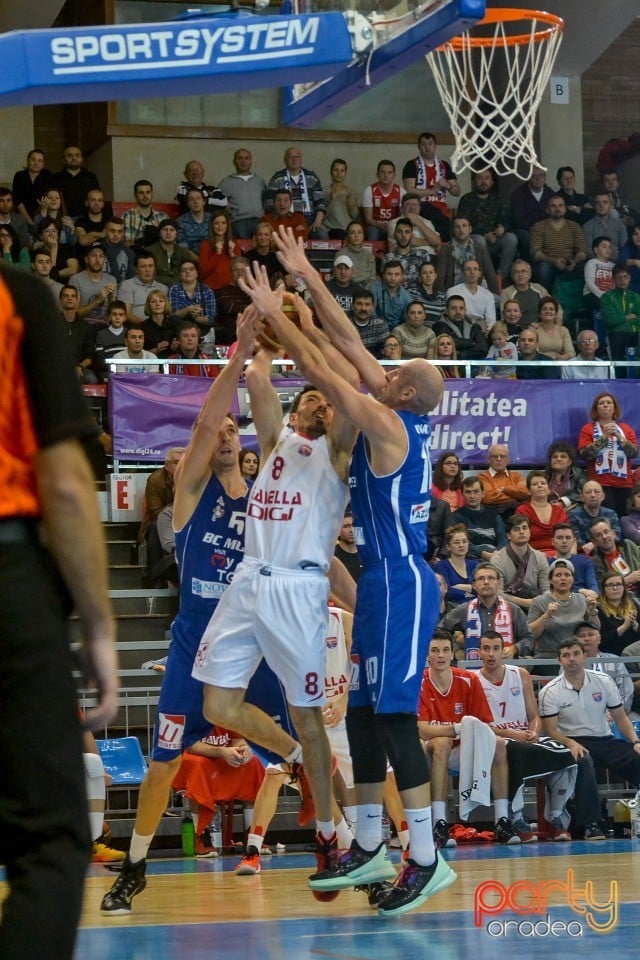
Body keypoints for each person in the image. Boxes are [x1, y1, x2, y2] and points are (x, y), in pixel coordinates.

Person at [238, 233, 456, 916]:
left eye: (393, 371)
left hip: (400, 579)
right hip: (381, 580)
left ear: (405, 389)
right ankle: (368, 842)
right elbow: (346, 340)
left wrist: (279, 318)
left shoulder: (389, 424)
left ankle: (425, 855)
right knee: (361, 716)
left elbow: (326, 368)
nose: (380, 368)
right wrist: (305, 274)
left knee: (392, 719)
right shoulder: (394, 403)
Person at [191, 303, 358, 898]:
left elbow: (343, 385)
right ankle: (288, 752)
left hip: (298, 588)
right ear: (296, 407)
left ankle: (332, 834)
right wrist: (257, 333)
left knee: (309, 714)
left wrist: (304, 327)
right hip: (248, 581)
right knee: (217, 705)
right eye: (308, 396)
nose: (318, 401)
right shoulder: (276, 439)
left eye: (325, 398)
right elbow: (259, 379)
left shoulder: (338, 454)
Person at [100, 310, 259, 915]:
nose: (222, 436)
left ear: (244, 445)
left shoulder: (266, 501)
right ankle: (135, 868)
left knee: (322, 741)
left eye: (231, 432)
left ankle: (353, 846)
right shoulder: (191, 493)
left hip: (253, 649)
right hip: (195, 648)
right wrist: (241, 353)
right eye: (216, 430)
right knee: (162, 763)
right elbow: (205, 421)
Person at [0, 262, 117, 957]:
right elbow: (68, 483)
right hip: (9, 575)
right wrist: (99, 624)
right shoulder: (15, 297)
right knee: (50, 839)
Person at [478, 631, 584, 843]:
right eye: (486, 649)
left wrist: (535, 732)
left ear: (503, 651)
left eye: (496, 648)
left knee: (567, 753)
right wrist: (512, 734)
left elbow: (534, 716)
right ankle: (516, 818)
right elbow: (479, 726)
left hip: (524, 736)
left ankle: (555, 816)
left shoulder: (520, 674)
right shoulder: (473, 679)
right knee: (514, 750)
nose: (491, 654)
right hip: (496, 739)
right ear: (479, 653)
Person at [417, 631, 520, 847]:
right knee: (442, 743)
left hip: (464, 748)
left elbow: (484, 725)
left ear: (453, 653)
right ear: (427, 656)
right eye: (435, 651)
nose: (441, 656)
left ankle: (502, 821)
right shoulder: (420, 681)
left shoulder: (469, 679)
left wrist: (466, 731)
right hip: (429, 749)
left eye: (445, 650)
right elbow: (423, 730)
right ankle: (440, 822)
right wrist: (456, 728)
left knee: (498, 744)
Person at [539, 636, 640, 835]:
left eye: (576, 654)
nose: (572, 659)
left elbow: (620, 717)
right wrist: (570, 743)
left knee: (637, 757)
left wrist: (636, 741)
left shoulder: (604, 681)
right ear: (559, 660)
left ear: (585, 656)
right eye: (566, 656)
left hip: (605, 739)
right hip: (573, 741)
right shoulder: (550, 690)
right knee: (583, 762)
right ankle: (591, 824)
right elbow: (550, 730)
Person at [439, 562, 533, 660]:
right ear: (474, 586)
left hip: (505, 668)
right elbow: (439, 632)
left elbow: (528, 638)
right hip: (473, 669)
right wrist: (455, 649)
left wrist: (515, 649)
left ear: (499, 584)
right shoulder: (463, 610)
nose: (486, 582)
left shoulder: (514, 610)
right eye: (481, 578)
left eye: (491, 578)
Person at [527, 558, 599, 663]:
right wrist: (546, 615)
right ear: (550, 580)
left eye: (567, 575)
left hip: (577, 658)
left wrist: (592, 611)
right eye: (558, 575)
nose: (563, 578)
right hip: (548, 658)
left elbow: (595, 629)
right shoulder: (539, 601)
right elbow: (530, 633)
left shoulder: (581, 599)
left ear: (573, 579)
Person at [578, 391, 639, 515]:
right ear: (596, 409)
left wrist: (618, 436)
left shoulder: (625, 429)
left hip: (624, 484)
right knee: (606, 519)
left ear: (614, 408)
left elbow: (634, 453)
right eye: (601, 403)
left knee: (623, 519)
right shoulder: (588, 428)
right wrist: (604, 437)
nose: (605, 405)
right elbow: (585, 454)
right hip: (600, 484)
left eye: (609, 403)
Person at [457, 169, 517, 281]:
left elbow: (507, 219)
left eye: (487, 178)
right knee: (480, 240)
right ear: (474, 181)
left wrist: (502, 228)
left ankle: (501, 277)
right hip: (474, 240)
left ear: (492, 182)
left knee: (511, 238)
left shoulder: (498, 199)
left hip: (495, 240)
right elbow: (462, 226)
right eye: (479, 178)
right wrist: (485, 234)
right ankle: (483, 276)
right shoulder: (466, 200)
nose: (483, 181)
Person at [573, 620, 635, 714]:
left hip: (616, 713)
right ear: (575, 641)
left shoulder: (615, 661)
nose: (587, 639)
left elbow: (626, 690)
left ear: (599, 639)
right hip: (582, 716)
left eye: (591, 634)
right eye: (582, 636)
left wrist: (617, 712)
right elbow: (568, 694)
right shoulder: (571, 664)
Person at [491, 514, 550, 610]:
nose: (522, 532)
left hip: (535, 604)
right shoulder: (497, 559)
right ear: (508, 535)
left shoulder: (540, 557)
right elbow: (497, 593)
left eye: (524, 528)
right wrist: (524, 602)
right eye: (516, 529)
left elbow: (546, 589)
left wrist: (539, 602)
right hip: (506, 606)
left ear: (529, 532)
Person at [266, 147, 328, 238]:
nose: (294, 159)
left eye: (297, 156)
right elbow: (269, 204)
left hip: (309, 220)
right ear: (285, 160)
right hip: (285, 220)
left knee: (322, 234)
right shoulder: (277, 178)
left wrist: (317, 222)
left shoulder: (311, 177)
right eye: (290, 156)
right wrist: (289, 223)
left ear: (301, 159)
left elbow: (321, 203)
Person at [529, 194, 586, 289]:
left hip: (570, 264)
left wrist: (574, 261)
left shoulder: (574, 226)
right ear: (547, 209)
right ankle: (545, 298)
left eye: (560, 205)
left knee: (585, 267)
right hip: (549, 263)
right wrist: (554, 261)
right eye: (553, 206)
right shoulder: (539, 226)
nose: (557, 208)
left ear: (565, 208)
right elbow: (535, 253)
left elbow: (582, 252)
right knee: (544, 269)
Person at [436, 216, 499, 295]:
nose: (461, 229)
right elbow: (440, 277)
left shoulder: (479, 248)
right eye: (457, 227)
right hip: (453, 293)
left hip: (474, 291)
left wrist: (496, 295)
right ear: (453, 230)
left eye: (464, 226)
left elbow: (490, 273)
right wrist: (440, 297)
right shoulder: (446, 249)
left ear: (470, 229)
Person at [401, 132, 460, 216]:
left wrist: (448, 185)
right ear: (418, 147)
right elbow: (409, 191)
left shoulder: (444, 165)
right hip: (419, 209)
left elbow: (457, 192)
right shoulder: (411, 165)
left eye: (430, 144)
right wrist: (432, 191)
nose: (427, 147)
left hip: (441, 211)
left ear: (435, 146)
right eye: (423, 144)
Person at [451, 475, 507, 560]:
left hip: (495, 558)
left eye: (476, 491)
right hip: (469, 560)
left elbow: (503, 540)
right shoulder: (456, 517)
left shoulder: (494, 515)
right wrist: (483, 554)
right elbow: (460, 543)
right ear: (462, 494)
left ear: (483, 494)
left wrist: (497, 555)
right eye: (468, 492)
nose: (472, 496)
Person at [515, 471, 570, 557]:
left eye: (543, 483)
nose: (540, 486)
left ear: (549, 489)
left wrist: (571, 556)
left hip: (561, 555)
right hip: (532, 556)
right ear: (529, 491)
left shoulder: (559, 511)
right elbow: (519, 539)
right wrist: (539, 557)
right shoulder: (522, 511)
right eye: (535, 484)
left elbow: (569, 536)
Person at [218, 148, 267, 240]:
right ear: (234, 162)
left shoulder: (260, 181)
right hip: (238, 223)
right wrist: (224, 203)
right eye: (240, 158)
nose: (243, 161)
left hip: (260, 221)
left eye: (246, 158)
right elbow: (215, 200)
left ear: (251, 161)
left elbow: (267, 200)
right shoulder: (227, 182)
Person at [509, 166, 554, 257]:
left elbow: (554, 215)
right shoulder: (518, 194)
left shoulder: (550, 193)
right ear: (529, 177)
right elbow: (517, 220)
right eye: (534, 176)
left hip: (546, 228)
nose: (538, 179)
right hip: (525, 229)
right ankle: (529, 266)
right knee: (528, 238)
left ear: (545, 178)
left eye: (541, 175)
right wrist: (534, 227)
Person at [69, 241, 117, 323]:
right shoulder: (76, 280)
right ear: (86, 259)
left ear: (104, 260)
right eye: (93, 256)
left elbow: (115, 316)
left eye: (101, 256)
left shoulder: (111, 280)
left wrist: (112, 298)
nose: (97, 260)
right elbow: (74, 314)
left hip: (104, 328)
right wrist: (98, 300)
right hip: (83, 326)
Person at [600, 265, 640, 362]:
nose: (622, 280)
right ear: (613, 279)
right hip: (616, 334)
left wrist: (622, 319)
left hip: (636, 334)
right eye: (619, 277)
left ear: (629, 278)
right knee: (617, 342)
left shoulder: (636, 297)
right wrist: (629, 317)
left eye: (625, 276)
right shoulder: (607, 297)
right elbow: (610, 320)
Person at [549, 522, 599, 599]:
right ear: (553, 541)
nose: (564, 541)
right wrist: (580, 590)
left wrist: (592, 594)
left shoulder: (585, 561)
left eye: (568, 538)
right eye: (559, 538)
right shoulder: (547, 564)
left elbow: (594, 589)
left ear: (573, 541)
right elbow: (548, 590)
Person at [589, 518, 640, 593]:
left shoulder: (628, 545)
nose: (604, 537)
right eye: (599, 535)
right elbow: (602, 589)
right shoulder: (596, 561)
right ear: (594, 542)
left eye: (606, 532)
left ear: (613, 534)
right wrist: (624, 581)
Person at [432, 294, 488, 362]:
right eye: (453, 308)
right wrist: (472, 343)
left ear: (465, 310)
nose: (458, 311)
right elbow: (451, 342)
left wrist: (461, 354)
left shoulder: (475, 327)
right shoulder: (439, 326)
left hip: (474, 369)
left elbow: (483, 349)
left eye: (461, 308)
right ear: (446, 311)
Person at [596, 571, 640, 656]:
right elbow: (601, 641)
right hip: (610, 656)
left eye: (618, 584)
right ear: (603, 589)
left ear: (624, 587)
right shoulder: (598, 610)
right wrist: (624, 627)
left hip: (635, 655)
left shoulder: (634, 605)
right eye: (610, 585)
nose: (615, 588)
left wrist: (634, 624)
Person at [433, 524, 479, 605]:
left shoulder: (475, 564)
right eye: (456, 542)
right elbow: (447, 591)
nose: (461, 545)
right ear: (448, 546)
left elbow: (482, 587)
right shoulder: (441, 566)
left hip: (476, 607)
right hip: (452, 608)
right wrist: (468, 593)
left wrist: (463, 587)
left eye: (464, 541)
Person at [445, 258, 496, 330]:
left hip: (482, 330)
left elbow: (491, 320)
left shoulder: (488, 294)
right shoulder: (453, 291)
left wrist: (487, 331)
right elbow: (453, 315)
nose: (472, 272)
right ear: (463, 273)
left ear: (479, 273)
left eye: (475, 269)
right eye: (468, 269)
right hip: (459, 328)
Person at [117, 252, 168, 324]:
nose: (147, 270)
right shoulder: (127, 285)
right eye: (143, 266)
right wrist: (146, 326)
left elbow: (166, 313)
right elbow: (126, 313)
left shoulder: (163, 288)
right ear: (136, 269)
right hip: (135, 328)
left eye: (150, 266)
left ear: (155, 268)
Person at [477, 444, 528, 516]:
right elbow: (487, 497)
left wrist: (504, 489)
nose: (499, 459)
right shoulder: (482, 477)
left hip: (516, 518)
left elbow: (525, 492)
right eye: (495, 456)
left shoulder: (517, 476)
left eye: (502, 456)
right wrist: (515, 497)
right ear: (488, 459)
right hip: (492, 517)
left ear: (508, 460)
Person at [500, 259, 553, 328]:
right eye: (516, 272)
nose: (520, 274)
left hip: (540, 329)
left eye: (523, 271)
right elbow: (504, 318)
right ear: (512, 276)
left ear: (530, 275)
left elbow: (556, 308)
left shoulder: (539, 288)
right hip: (517, 331)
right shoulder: (506, 293)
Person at [52, 145, 100, 220]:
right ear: (64, 160)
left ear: (81, 159)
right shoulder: (56, 178)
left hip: (86, 220)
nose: (74, 158)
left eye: (77, 155)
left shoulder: (91, 177)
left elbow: (97, 199)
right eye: (70, 155)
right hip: (62, 219)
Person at [363, 159, 405, 241]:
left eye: (389, 172)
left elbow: (402, 217)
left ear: (394, 175)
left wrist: (392, 226)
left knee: (401, 231)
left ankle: (397, 253)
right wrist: (382, 225)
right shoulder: (369, 190)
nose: (386, 175)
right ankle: (372, 253)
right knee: (372, 232)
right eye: (382, 172)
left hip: (394, 226)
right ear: (377, 174)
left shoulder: (401, 191)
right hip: (375, 226)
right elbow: (368, 219)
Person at [147, 220, 198, 288]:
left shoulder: (183, 252)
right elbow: (149, 276)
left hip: (181, 288)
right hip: (157, 288)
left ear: (177, 233)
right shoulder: (149, 251)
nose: (168, 233)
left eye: (172, 230)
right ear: (159, 233)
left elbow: (191, 273)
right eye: (165, 229)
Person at [199, 212, 241, 292]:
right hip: (211, 289)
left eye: (223, 223)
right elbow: (203, 273)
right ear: (212, 226)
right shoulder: (205, 245)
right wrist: (217, 254)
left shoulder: (234, 244)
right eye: (216, 223)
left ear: (227, 225)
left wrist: (232, 254)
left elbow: (239, 271)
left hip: (231, 289)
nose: (220, 226)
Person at [11, 148, 53, 224]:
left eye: (40, 161)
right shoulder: (19, 175)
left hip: (42, 214)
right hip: (21, 215)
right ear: (28, 161)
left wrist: (41, 217)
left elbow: (49, 198)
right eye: (33, 160)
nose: (36, 163)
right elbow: (18, 200)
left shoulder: (47, 175)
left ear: (43, 164)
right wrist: (30, 222)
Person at [582, 192, 627, 263]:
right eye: (598, 203)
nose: (601, 205)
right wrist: (604, 263)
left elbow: (624, 247)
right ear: (594, 206)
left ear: (610, 205)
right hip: (597, 265)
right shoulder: (587, 226)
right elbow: (589, 251)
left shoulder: (619, 224)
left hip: (618, 265)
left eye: (605, 202)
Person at [122, 180, 168, 247]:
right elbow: (125, 244)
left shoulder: (163, 217)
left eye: (148, 192)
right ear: (135, 196)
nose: (145, 196)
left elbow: (169, 244)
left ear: (152, 194)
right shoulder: (127, 216)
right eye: (141, 193)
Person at [323, 158, 359, 238]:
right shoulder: (324, 191)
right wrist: (331, 198)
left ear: (345, 173)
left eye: (342, 170)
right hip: (328, 229)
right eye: (336, 170)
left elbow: (355, 215)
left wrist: (349, 199)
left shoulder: (351, 191)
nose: (339, 173)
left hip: (345, 229)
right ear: (331, 172)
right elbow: (321, 214)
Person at [531, 296, 575, 360]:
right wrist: (548, 357)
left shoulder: (563, 330)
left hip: (558, 363)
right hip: (539, 364)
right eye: (544, 309)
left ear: (556, 313)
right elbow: (532, 352)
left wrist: (562, 357)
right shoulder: (534, 329)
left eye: (551, 309)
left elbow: (571, 353)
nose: (548, 311)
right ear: (539, 314)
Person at [372, 260, 413, 329]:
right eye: (389, 274)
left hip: (398, 330)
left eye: (397, 274)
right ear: (384, 275)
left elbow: (407, 320)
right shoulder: (375, 289)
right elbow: (372, 313)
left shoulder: (406, 296)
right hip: (377, 328)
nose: (393, 278)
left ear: (402, 276)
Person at [544, 440, 586, 508]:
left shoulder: (578, 474)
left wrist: (563, 502)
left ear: (569, 462)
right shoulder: (544, 475)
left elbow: (584, 493)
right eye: (555, 457)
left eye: (563, 456)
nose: (558, 459)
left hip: (572, 511)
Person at [348, 289, 390, 356]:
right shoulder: (345, 324)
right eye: (359, 304)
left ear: (372, 307)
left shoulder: (380, 325)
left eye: (367, 304)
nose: (363, 308)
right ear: (352, 306)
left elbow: (385, 352)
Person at [339, 221, 377, 291]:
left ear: (363, 235)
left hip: (365, 293)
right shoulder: (341, 254)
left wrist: (363, 293)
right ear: (348, 236)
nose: (356, 236)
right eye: (352, 233)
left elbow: (372, 279)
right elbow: (341, 278)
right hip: (347, 291)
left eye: (359, 232)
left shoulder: (369, 255)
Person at [408, 260, 447, 326]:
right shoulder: (412, 293)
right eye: (424, 273)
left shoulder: (442, 296)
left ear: (435, 275)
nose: (428, 275)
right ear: (420, 276)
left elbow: (443, 319)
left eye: (431, 272)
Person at [583, 236, 616, 309]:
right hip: (592, 294)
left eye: (610, 247)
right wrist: (603, 296)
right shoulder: (591, 263)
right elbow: (589, 283)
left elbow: (615, 284)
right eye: (604, 247)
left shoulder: (613, 265)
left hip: (610, 295)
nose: (608, 249)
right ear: (596, 250)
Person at [142, 290, 176, 358]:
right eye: (153, 301)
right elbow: (139, 354)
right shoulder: (143, 327)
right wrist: (156, 350)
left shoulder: (175, 322)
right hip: (151, 363)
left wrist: (175, 347)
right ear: (149, 305)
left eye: (161, 301)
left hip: (173, 362)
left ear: (165, 304)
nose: (157, 304)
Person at [102, 217, 136, 283]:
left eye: (119, 231)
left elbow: (131, 281)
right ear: (105, 232)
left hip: (122, 291)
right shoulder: (95, 250)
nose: (116, 234)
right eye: (112, 231)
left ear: (123, 233)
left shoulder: (129, 253)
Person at [334, 508, 362, 582]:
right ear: (338, 531)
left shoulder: (365, 554)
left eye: (354, 525)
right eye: (346, 526)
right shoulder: (332, 556)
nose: (351, 530)